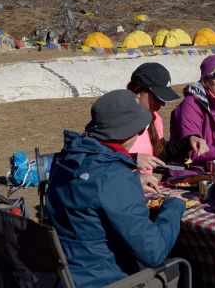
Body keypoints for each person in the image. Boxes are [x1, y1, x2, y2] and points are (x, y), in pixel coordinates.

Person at [46, 89, 185, 287]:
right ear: (127, 131)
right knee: (179, 267)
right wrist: (173, 206)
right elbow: (154, 251)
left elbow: (88, 192)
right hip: (108, 279)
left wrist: (132, 183)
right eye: (139, 130)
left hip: (69, 274)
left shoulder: (67, 159)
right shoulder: (114, 176)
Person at [126, 63, 208, 168]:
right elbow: (102, 157)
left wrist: (189, 141)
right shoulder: (115, 117)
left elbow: (161, 154)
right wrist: (132, 159)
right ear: (138, 90)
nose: (162, 104)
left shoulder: (155, 118)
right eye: (157, 98)